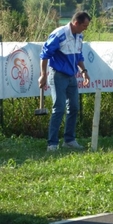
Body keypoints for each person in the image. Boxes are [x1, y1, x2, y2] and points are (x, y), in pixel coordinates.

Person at [38, 11, 91, 151]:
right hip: (58, 76)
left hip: (72, 76)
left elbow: (78, 55)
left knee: (74, 107)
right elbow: (44, 54)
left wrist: (84, 72)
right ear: (76, 23)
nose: (86, 28)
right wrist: (43, 74)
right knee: (59, 108)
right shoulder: (59, 34)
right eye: (84, 25)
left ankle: (69, 140)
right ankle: (52, 144)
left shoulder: (79, 36)